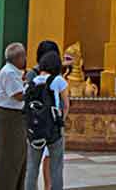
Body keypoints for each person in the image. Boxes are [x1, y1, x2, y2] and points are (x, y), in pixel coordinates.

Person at [24, 47, 67, 190]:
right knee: (56, 167)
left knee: (32, 167)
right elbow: (66, 105)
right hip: (53, 129)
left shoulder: (33, 81)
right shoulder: (59, 80)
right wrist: (61, 121)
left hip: (34, 129)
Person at [0, 43, 28, 190]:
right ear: (18, 58)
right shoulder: (9, 73)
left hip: (15, 118)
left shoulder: (11, 71)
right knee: (8, 158)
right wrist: (33, 89)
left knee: (18, 156)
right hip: (9, 118)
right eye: (23, 56)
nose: (25, 59)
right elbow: (18, 95)